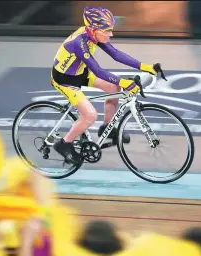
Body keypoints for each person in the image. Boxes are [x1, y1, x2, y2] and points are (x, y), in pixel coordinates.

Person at [50, 6, 159, 164]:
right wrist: (123, 82)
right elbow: (98, 71)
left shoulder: (93, 35)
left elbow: (116, 54)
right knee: (90, 116)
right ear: (94, 29)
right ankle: (64, 144)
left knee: (112, 88)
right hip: (65, 80)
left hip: (80, 73)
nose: (111, 34)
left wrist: (145, 66)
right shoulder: (79, 43)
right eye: (107, 30)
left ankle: (107, 129)